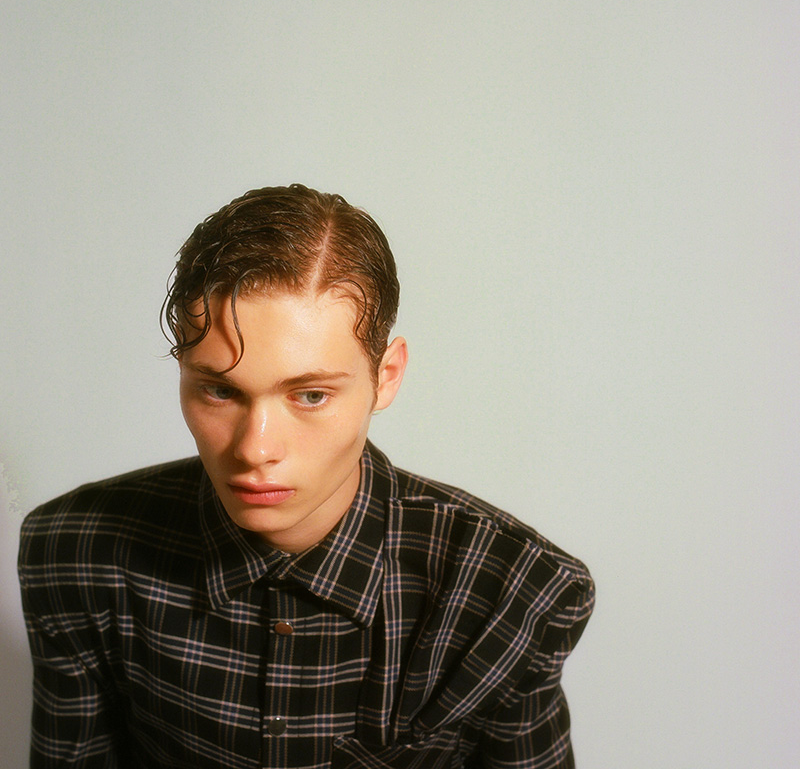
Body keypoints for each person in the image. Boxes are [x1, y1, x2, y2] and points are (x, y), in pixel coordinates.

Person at [18, 184, 594, 769]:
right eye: (220, 391)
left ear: (386, 377)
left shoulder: (513, 590)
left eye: (311, 395)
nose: (255, 449)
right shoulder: (75, 552)